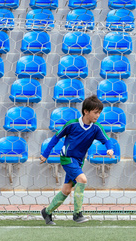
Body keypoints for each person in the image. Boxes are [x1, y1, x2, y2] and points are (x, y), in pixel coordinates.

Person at [39, 95, 114, 225]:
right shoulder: (72, 124)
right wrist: (46, 154)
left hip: (79, 161)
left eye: (99, 113)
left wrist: (110, 149)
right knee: (82, 180)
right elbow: (56, 137)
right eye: (95, 112)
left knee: (66, 190)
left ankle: (47, 211)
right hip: (67, 158)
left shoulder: (96, 128)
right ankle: (77, 214)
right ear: (86, 111)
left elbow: (107, 140)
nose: (98, 116)